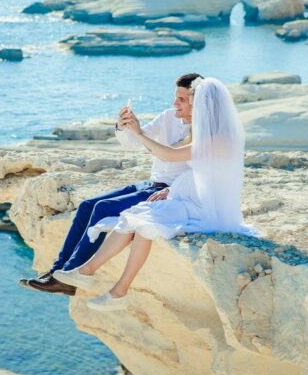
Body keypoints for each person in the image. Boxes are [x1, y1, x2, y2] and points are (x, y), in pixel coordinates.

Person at [53, 77, 256, 310]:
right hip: (186, 191)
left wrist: (140, 133)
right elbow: (179, 156)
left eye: (185, 100)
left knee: (142, 219)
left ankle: (110, 286)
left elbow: (170, 155)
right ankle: (92, 275)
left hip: (206, 202)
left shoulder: (220, 139)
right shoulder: (200, 133)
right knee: (140, 218)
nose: (177, 104)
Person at [20, 73, 202, 295]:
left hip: (168, 191)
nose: (175, 104)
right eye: (176, 98)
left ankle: (70, 275)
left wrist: (171, 190)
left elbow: (202, 174)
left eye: (182, 100)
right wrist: (123, 125)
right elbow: (133, 143)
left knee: (102, 208)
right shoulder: (168, 117)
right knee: (87, 205)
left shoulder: (206, 132)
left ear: (196, 102)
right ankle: (57, 271)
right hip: (150, 183)